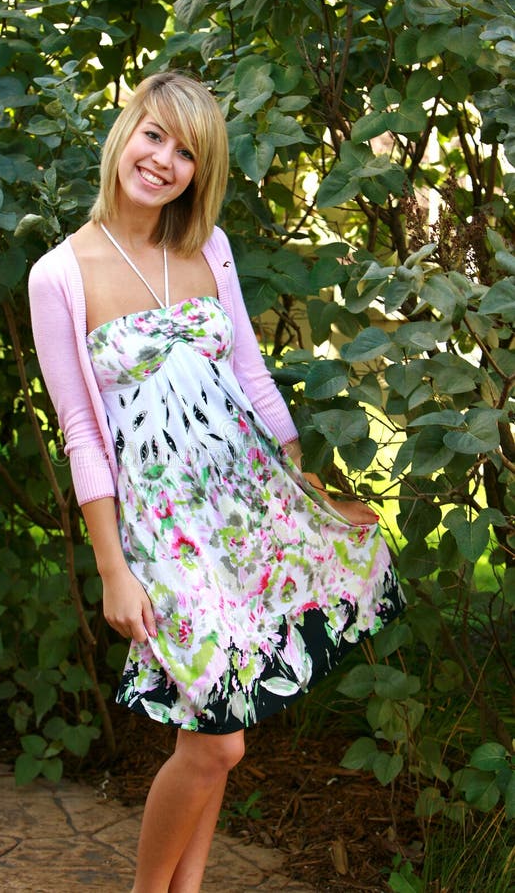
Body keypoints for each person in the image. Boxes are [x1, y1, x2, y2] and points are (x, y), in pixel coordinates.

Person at [28, 71, 404, 893]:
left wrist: (302, 489)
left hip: (243, 511)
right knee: (218, 741)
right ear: (124, 134)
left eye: (186, 151)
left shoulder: (210, 248)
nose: (163, 160)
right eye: (153, 134)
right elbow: (83, 433)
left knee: (218, 725)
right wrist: (111, 569)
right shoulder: (58, 274)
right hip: (162, 535)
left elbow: (251, 376)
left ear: (201, 171)